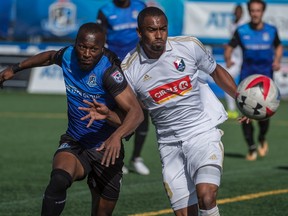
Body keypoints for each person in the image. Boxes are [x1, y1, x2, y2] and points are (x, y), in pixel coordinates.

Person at [83, 6, 249, 216]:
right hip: (169, 145)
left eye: (163, 28)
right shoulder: (129, 69)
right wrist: (109, 115)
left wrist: (240, 98)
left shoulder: (188, 46)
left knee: (206, 196)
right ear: (139, 32)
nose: (159, 35)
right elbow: (130, 116)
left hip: (202, 134)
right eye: (152, 30)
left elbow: (215, 71)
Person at [0, 22, 143, 216]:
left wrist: (114, 131)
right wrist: (14, 68)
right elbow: (49, 56)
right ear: (75, 44)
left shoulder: (109, 72)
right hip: (76, 142)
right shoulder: (67, 56)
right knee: (58, 180)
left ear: (102, 48)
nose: (86, 53)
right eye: (82, 47)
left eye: (93, 49)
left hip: (107, 149)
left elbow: (136, 113)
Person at [224, 0, 283, 161]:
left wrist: (277, 60)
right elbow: (229, 47)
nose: (255, 13)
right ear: (249, 12)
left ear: (262, 12)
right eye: (252, 11)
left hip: (266, 81)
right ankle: (251, 148)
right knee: (246, 114)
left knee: (265, 115)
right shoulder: (242, 31)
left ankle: (262, 137)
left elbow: (278, 46)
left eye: (258, 11)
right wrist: (228, 58)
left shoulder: (271, 31)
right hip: (247, 80)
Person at [96, 0, 150, 175]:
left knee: (143, 110)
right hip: (116, 69)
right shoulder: (105, 11)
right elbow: (100, 40)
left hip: (139, 66)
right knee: (114, 112)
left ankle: (136, 158)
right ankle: (115, 155)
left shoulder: (140, 7)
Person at [224, 4, 244, 119]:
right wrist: (228, 58)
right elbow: (232, 43)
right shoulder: (232, 25)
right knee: (227, 80)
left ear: (242, 13)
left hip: (245, 60)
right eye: (236, 12)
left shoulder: (244, 26)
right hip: (235, 60)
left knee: (247, 86)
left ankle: (249, 108)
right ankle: (231, 110)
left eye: (239, 12)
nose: (237, 13)